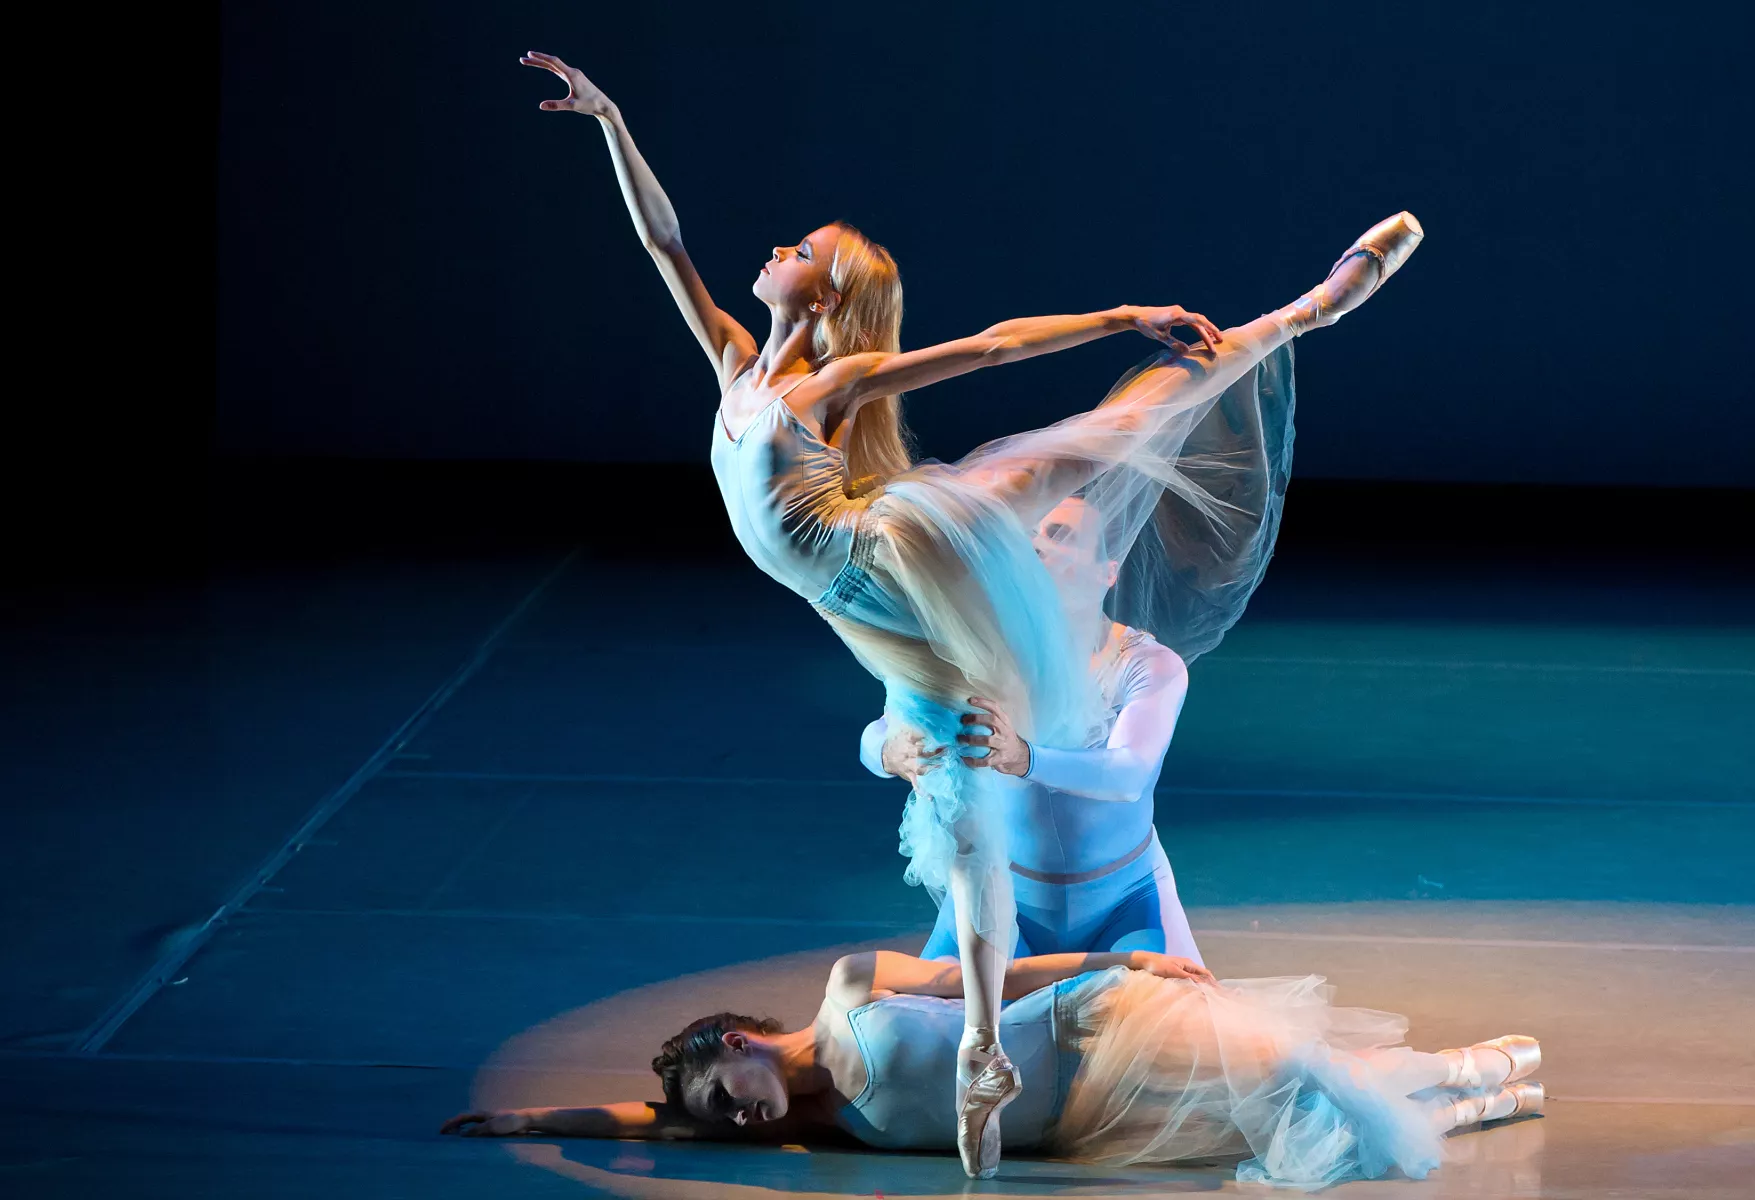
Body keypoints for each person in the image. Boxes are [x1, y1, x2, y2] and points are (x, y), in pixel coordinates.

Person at [521, 49, 1422, 1177]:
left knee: (1078, 450)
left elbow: (989, 347)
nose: (773, 251)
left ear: (826, 294)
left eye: (797, 251)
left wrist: (1117, 315)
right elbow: (663, 240)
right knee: (947, 777)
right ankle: (983, 1049)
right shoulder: (736, 363)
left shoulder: (822, 389)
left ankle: (1298, 314)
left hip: (887, 553)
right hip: (850, 606)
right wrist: (609, 119)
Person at [442, 947, 1544, 1191]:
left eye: (725, 1099)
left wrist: (1122, 957)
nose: (733, 1124)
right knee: (1288, 1122)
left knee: (1296, 1073)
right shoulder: (824, 1124)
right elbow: (655, 1120)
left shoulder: (849, 992)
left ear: (736, 1046)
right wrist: (527, 1116)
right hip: (1089, 1118)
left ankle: (1483, 1066)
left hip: (1095, 1029)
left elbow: (992, 966)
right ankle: (1490, 1098)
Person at [861, 494, 1202, 963]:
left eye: (1059, 535)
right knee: (910, 1024)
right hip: (1005, 899)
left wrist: (1025, 757)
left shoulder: (1146, 664)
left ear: (1108, 571)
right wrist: (889, 753)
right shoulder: (980, 656)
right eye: (1030, 538)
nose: (1038, 546)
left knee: (1161, 1023)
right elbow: (878, 731)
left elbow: (1128, 775)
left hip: (1123, 904)